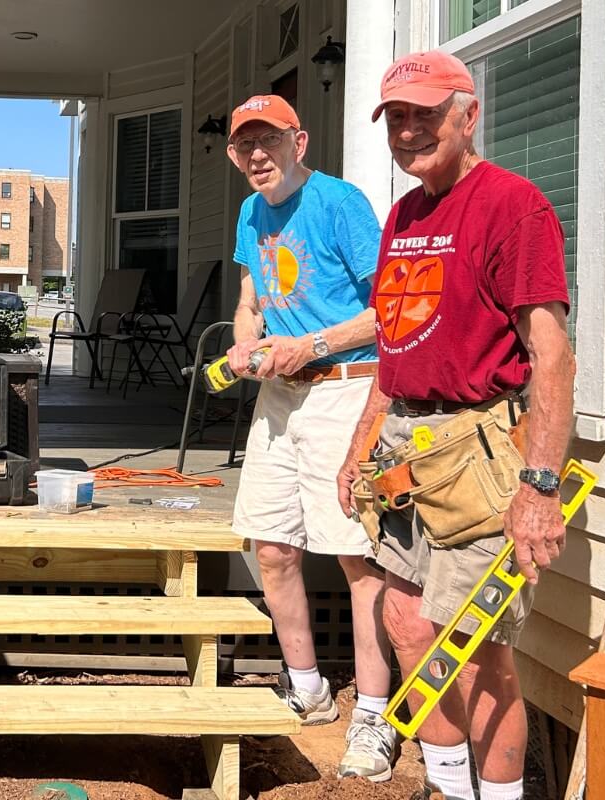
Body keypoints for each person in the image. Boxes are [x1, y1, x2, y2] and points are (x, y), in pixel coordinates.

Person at [336, 51, 574, 800]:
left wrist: (539, 487)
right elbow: (398, 342)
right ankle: (448, 787)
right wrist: (361, 444)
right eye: (397, 117)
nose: (409, 131)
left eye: (425, 114)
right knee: (407, 623)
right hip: (407, 446)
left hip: (477, 452)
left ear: (469, 117)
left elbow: (553, 358)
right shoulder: (405, 214)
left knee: (475, 652)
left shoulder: (513, 204)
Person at [223, 95, 397, 781]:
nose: (257, 155)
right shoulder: (249, 212)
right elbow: (249, 300)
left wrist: (313, 343)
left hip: (346, 389)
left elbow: (391, 310)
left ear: (299, 140)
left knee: (359, 560)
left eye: (269, 141)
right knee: (272, 547)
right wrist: (246, 347)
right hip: (280, 394)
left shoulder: (340, 203)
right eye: (245, 146)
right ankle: (309, 688)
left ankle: (374, 718)